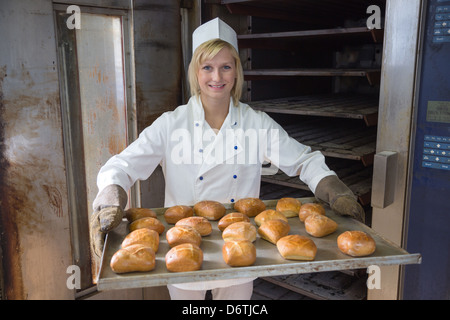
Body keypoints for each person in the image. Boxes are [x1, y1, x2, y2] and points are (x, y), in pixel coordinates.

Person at [89, 18, 364, 300]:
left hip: (240, 249)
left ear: (236, 72)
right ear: (196, 72)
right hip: (182, 248)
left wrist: (332, 186)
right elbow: (123, 165)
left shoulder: (256, 123)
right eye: (207, 67)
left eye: (225, 67)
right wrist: (110, 197)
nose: (216, 77)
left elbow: (303, 161)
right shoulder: (172, 124)